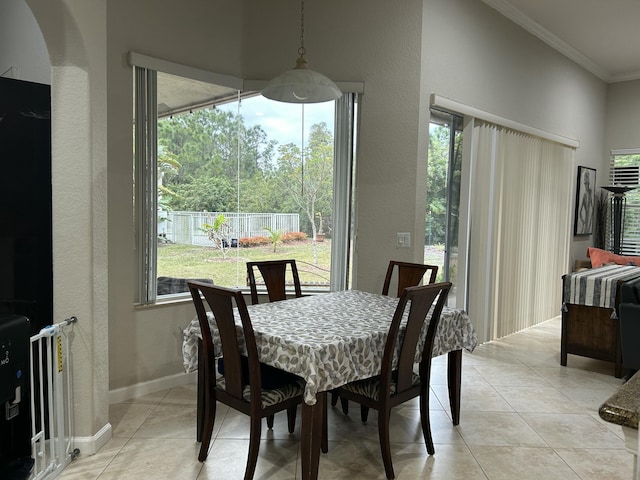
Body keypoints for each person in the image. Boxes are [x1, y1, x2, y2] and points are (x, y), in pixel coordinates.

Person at [577, 169, 594, 234]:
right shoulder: (584, 195)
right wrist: (583, 221)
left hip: (588, 222)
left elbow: (592, 208)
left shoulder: (590, 193)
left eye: (587, 183)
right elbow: (580, 211)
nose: (586, 185)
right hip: (586, 222)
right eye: (585, 184)